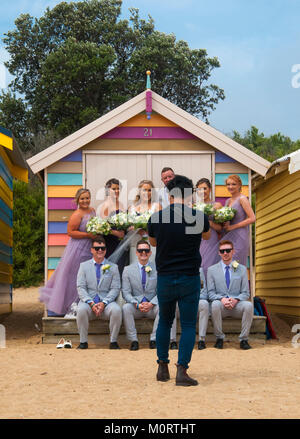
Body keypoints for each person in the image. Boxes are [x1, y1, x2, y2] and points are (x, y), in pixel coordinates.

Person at [148, 174, 210, 386]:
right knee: (188, 324)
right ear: (190, 193)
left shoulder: (156, 217)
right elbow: (207, 236)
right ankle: (182, 370)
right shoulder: (198, 217)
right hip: (189, 277)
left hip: (165, 276)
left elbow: (153, 243)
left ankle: (162, 367)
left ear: (169, 193)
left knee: (165, 321)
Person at [40, 188, 96, 316]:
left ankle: (85, 306)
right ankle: (69, 307)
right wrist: (88, 235)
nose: (85, 201)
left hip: (90, 247)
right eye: (82, 198)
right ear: (77, 200)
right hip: (78, 248)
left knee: (86, 277)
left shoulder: (92, 211)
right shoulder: (77, 214)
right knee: (74, 277)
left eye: (87, 198)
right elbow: (70, 232)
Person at [122, 240, 178, 350]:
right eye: (140, 250)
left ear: (150, 253)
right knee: (125, 308)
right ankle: (133, 340)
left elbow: (161, 290)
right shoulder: (127, 270)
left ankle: (154, 339)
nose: (143, 253)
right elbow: (126, 292)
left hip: (152, 306)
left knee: (164, 308)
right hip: (136, 306)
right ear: (136, 253)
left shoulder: (158, 269)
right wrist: (137, 304)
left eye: (146, 250)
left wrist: (152, 303)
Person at [76, 236, 122, 350]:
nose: (100, 250)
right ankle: (83, 342)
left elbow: (115, 288)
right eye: (97, 248)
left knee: (116, 310)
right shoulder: (84, 266)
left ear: (106, 250)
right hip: (89, 302)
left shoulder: (113, 267)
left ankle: (113, 341)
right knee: (80, 309)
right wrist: (91, 303)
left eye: (102, 248)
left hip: (106, 302)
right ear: (92, 250)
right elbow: (81, 287)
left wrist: (104, 302)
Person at [207, 240, 253, 350]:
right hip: (221, 306)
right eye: (222, 251)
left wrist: (236, 299)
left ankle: (244, 339)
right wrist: (222, 299)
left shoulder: (241, 269)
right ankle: (219, 338)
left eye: (228, 250)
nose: (225, 253)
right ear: (219, 253)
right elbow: (210, 293)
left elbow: (246, 292)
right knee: (214, 305)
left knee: (249, 306)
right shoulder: (211, 270)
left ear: (233, 252)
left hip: (237, 305)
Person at [221, 174, 255, 267]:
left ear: (239, 185)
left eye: (233, 184)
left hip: (239, 236)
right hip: (228, 235)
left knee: (236, 263)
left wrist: (232, 227)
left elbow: (252, 218)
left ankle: (238, 281)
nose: (230, 187)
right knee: (227, 263)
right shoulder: (228, 201)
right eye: (228, 184)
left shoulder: (242, 199)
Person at [128, 179, 161, 264]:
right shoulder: (132, 208)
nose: (147, 193)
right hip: (136, 243)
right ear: (139, 191)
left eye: (149, 190)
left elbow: (161, 226)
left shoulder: (157, 207)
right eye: (144, 190)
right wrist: (135, 229)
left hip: (151, 243)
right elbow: (127, 227)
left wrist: (148, 229)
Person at [99, 178, 127, 275]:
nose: (116, 191)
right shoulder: (105, 205)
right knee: (112, 269)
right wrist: (115, 233)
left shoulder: (121, 204)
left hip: (121, 242)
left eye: (118, 189)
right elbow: (102, 227)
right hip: (111, 242)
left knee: (121, 268)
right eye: (114, 189)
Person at [196, 178, 223, 279]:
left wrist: (208, 222)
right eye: (199, 189)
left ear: (210, 189)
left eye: (205, 188)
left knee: (209, 267)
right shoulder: (195, 206)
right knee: (198, 268)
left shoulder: (216, 205)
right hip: (198, 240)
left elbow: (221, 229)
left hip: (211, 240)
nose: (202, 192)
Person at [197, 267, 210, 350]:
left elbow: (204, 292)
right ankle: (172, 341)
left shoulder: (199, 270)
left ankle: (201, 340)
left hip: (195, 299)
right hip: (180, 300)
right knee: (171, 305)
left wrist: (193, 297)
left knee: (204, 304)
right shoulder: (174, 268)